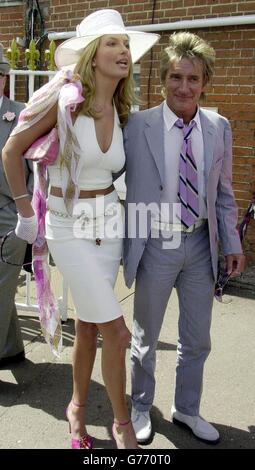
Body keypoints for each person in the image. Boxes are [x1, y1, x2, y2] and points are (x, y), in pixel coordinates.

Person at [2, 10, 159, 449]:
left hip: (108, 226)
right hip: (67, 227)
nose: (122, 51)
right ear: (92, 56)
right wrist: (25, 212)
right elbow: (11, 151)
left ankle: (77, 408)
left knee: (91, 327)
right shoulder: (65, 100)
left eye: (125, 45)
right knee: (118, 331)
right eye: (112, 44)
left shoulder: (122, 107)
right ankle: (123, 426)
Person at [123, 31, 245, 445]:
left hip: (199, 245)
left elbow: (224, 193)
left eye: (193, 79)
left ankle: (186, 409)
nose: (184, 87)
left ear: (204, 82)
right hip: (155, 242)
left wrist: (232, 242)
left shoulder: (218, 126)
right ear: (162, 80)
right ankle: (140, 406)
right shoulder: (138, 125)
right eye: (176, 77)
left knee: (197, 339)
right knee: (145, 337)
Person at [0, 44, 33, 368]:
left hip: (10, 216)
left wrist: (30, 214)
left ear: (4, 77)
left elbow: (37, 170)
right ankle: (11, 349)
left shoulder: (21, 114)